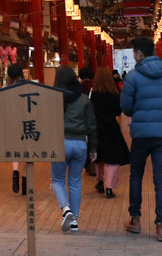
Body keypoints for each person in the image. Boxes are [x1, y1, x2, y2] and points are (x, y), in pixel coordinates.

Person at [120, 36, 162, 242]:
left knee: (136, 176)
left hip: (141, 135)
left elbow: (126, 108)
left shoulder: (133, 77)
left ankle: (135, 220)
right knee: (160, 180)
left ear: (138, 53)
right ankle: (161, 226)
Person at [50, 65, 97, 232]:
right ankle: (74, 221)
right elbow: (91, 126)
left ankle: (65, 209)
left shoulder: (54, 98)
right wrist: (93, 148)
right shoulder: (84, 99)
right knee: (75, 183)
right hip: (80, 144)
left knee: (57, 180)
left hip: (60, 143)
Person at [91, 67, 131, 198]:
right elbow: (118, 112)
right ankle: (109, 187)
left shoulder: (93, 94)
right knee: (112, 158)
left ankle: (100, 181)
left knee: (99, 157)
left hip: (97, 128)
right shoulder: (114, 93)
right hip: (111, 127)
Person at [6, 63, 27, 195]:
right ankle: (25, 181)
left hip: (13, 124)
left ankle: (15, 173)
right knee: (28, 152)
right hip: (28, 123)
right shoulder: (28, 86)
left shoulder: (6, 90)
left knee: (15, 150)